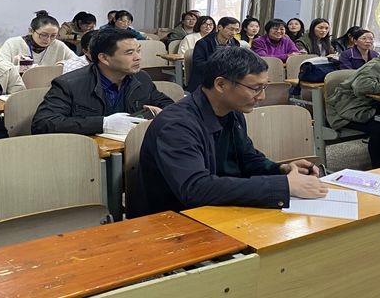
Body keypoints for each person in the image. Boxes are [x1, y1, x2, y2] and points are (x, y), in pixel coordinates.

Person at [131, 47, 327, 217]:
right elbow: (196, 189)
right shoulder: (177, 125)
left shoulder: (232, 111)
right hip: (174, 220)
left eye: (264, 87)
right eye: (255, 88)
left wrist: (281, 170)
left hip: (216, 209)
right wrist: (284, 186)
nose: (262, 96)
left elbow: (247, 158)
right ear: (221, 85)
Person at [31, 29, 173, 135]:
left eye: (138, 51)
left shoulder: (141, 78)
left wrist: (162, 113)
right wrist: (103, 124)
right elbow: (43, 123)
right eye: (129, 53)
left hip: (132, 150)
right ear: (104, 58)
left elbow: (168, 105)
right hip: (88, 152)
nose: (138, 57)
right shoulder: (69, 83)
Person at [0, 10, 76, 70]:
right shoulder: (13, 44)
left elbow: (77, 62)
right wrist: (24, 68)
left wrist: (64, 64)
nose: (48, 40)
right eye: (43, 35)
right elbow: (0, 67)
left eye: (53, 36)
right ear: (31, 31)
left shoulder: (58, 45)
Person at [186, 17, 241, 92]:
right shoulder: (203, 43)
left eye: (236, 30)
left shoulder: (235, 43)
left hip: (227, 79)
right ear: (220, 27)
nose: (233, 33)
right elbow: (199, 66)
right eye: (231, 29)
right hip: (206, 81)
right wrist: (221, 65)